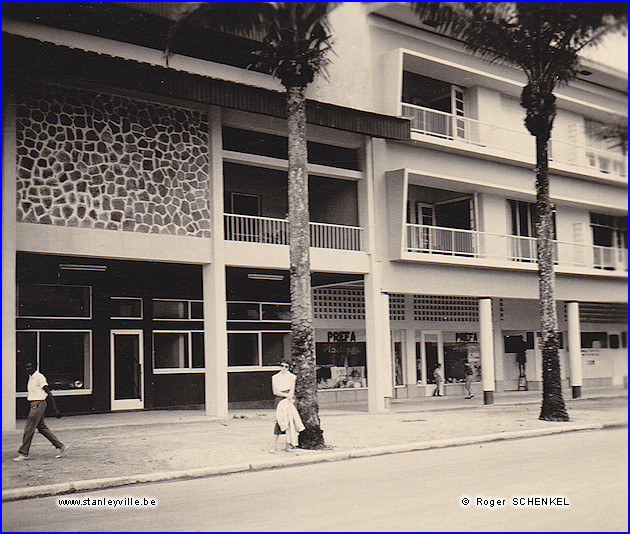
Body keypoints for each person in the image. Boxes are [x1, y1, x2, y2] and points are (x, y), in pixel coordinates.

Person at [13, 362, 68, 461]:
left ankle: (24, 453)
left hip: (38, 403)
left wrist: (55, 408)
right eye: (26, 367)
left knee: (29, 427)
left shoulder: (39, 377)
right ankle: (61, 446)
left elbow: (48, 392)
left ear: (35, 367)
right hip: (34, 403)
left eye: (29, 367)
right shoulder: (31, 377)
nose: (27, 369)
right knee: (41, 428)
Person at [270, 361, 304, 453]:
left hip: (290, 400)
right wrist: (285, 395)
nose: (284, 368)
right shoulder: (275, 377)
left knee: (290, 421)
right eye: (282, 366)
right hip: (279, 400)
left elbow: (292, 391)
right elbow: (275, 392)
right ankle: (273, 446)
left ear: (289, 368)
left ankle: (288, 444)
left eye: (286, 366)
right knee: (279, 421)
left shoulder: (292, 377)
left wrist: (289, 396)